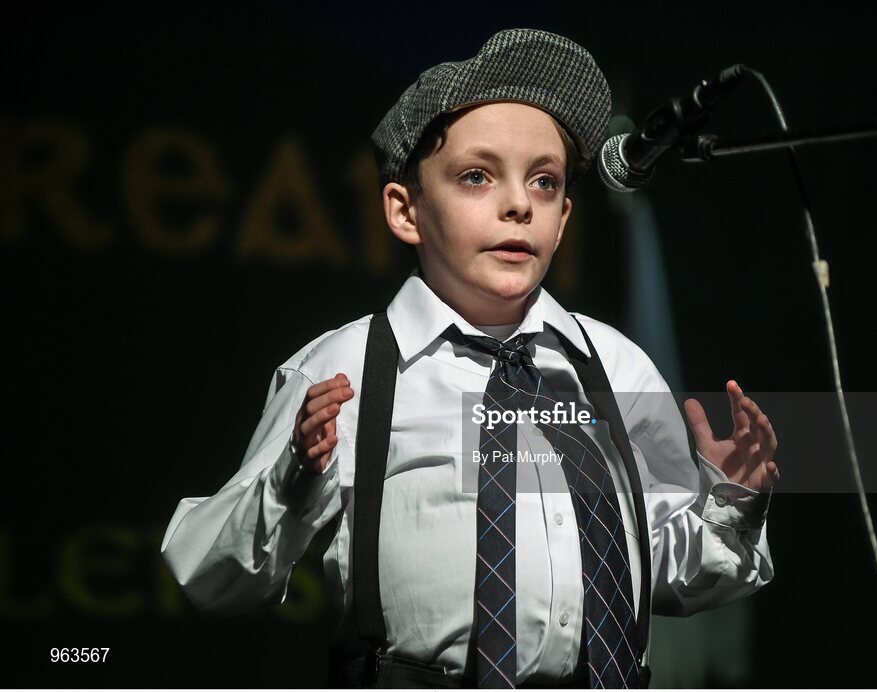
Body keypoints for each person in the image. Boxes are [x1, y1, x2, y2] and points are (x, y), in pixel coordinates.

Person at [161, 28, 779, 688]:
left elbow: (668, 571)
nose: (518, 204)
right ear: (405, 211)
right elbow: (209, 576)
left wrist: (728, 505)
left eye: (544, 182)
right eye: (477, 177)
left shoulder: (615, 367)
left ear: (564, 218)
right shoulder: (349, 370)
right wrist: (291, 474)